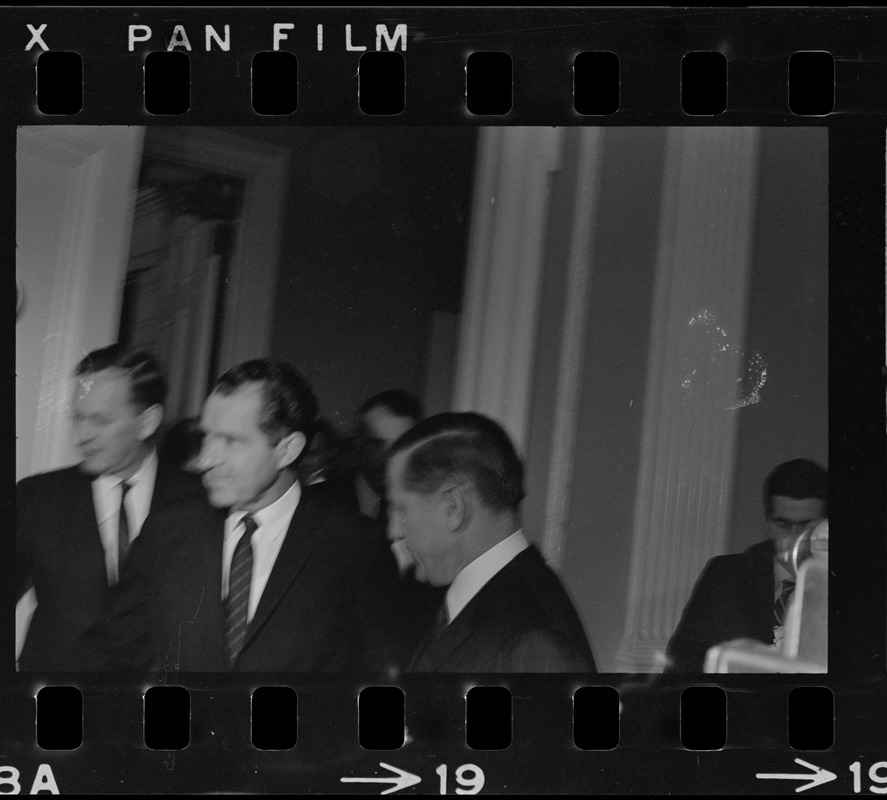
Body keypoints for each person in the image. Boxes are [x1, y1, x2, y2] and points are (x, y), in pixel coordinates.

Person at [76, 358, 400, 672]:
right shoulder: (168, 529)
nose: (205, 460)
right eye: (207, 437)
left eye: (231, 441)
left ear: (288, 449)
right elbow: (111, 656)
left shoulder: (356, 546)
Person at [16, 345, 204, 671]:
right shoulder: (38, 498)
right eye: (78, 417)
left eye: (100, 420)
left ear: (147, 422)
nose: (82, 434)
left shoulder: (199, 500)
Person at [386, 412, 597, 673]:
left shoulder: (532, 642)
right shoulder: (495, 604)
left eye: (402, 510)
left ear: (453, 507)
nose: (394, 531)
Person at [665, 458, 828, 672]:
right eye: (783, 525)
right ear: (766, 521)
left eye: (807, 526)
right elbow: (681, 659)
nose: (794, 538)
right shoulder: (725, 575)